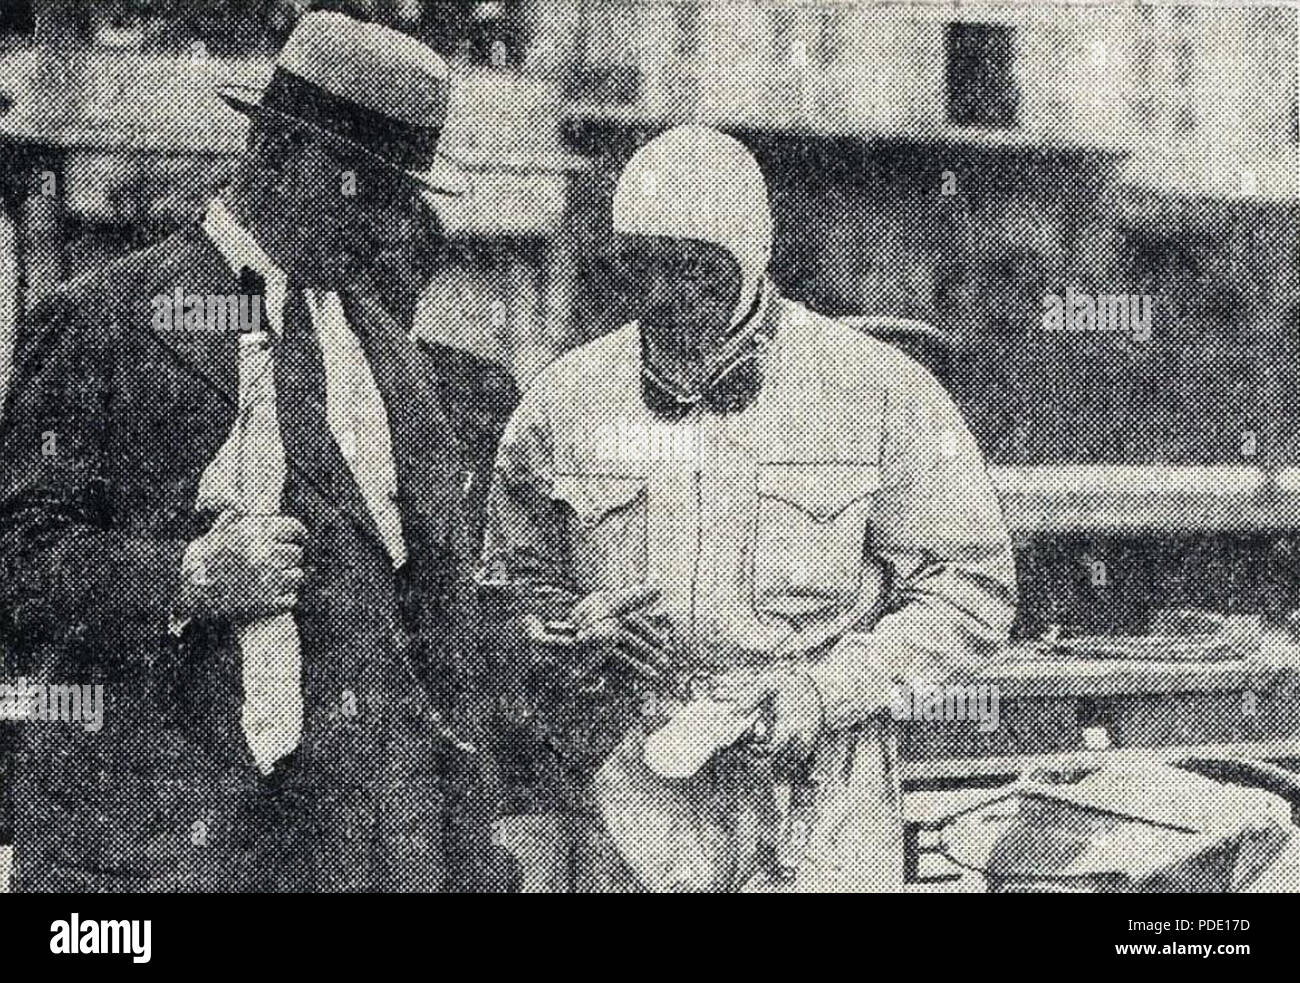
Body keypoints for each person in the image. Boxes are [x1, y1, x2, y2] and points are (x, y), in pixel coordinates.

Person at [0, 11, 509, 892]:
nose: (383, 223)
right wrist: (187, 577)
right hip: (163, 847)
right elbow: (19, 566)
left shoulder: (388, 352)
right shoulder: (107, 319)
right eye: (360, 186)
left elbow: (429, 618)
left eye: (397, 195)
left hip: (354, 848)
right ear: (275, 153)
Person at [481, 125, 1017, 891]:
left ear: (752, 256)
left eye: (697, 270)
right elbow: (505, 595)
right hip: (631, 800)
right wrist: (572, 627)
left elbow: (971, 590)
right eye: (646, 268)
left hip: (820, 798)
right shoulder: (563, 403)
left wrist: (825, 691)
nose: (667, 297)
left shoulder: (878, 392)